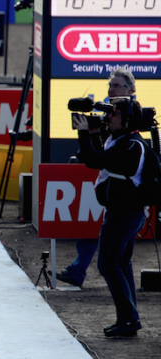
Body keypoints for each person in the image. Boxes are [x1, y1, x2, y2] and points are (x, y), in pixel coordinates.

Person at [57, 67, 137, 287]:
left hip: (125, 192)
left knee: (116, 261)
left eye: (117, 85)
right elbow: (96, 155)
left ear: (131, 89)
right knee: (91, 227)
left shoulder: (133, 117)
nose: (112, 90)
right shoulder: (107, 115)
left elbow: (104, 156)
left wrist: (89, 138)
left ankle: (128, 312)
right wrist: (90, 136)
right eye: (110, 86)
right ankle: (78, 269)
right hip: (106, 183)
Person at [72, 97, 145, 337]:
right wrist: (92, 133)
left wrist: (84, 132)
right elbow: (96, 156)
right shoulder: (124, 140)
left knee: (107, 264)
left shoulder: (129, 146)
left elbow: (92, 161)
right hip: (126, 213)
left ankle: (128, 319)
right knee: (121, 264)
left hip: (124, 215)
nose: (108, 116)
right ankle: (129, 318)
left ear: (127, 119)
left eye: (114, 113)